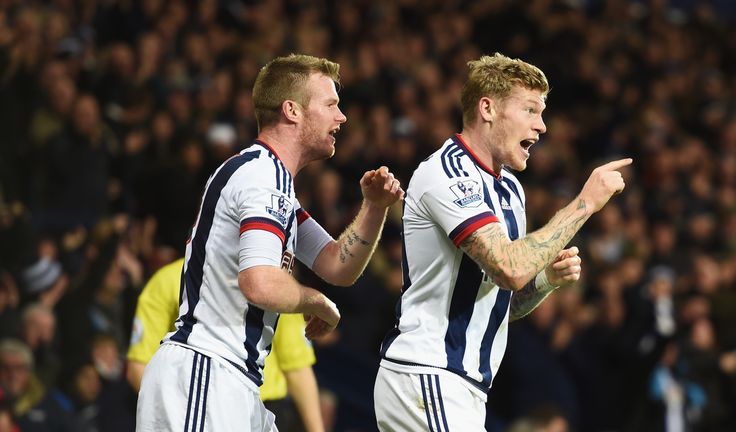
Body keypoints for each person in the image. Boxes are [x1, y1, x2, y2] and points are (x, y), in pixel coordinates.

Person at [136, 54, 404, 432]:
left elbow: (336, 265)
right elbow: (260, 283)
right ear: (292, 110)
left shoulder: (272, 183)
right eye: (331, 104)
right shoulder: (263, 177)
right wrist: (319, 303)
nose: (341, 117)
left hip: (230, 381)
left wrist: (374, 208)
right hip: (206, 374)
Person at [374, 53, 631, 431]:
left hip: (463, 387)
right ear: (488, 108)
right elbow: (509, 268)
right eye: (530, 110)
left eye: (542, 113)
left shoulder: (510, 189)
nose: (541, 126)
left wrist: (546, 282)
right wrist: (585, 204)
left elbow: (497, 302)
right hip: (429, 374)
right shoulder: (446, 174)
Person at [127, 259, 325, 432]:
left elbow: (298, 369)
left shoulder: (271, 284)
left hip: (266, 410)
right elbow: (138, 364)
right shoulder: (167, 281)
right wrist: (175, 410)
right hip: (195, 403)